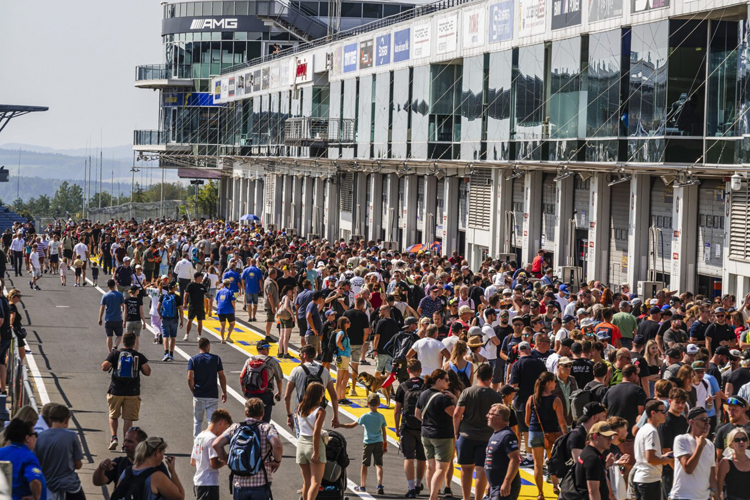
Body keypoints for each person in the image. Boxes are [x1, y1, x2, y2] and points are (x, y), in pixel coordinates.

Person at [212, 398, 283, 500]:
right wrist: (277, 461)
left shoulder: (236, 427)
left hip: (239, 484)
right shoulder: (267, 428)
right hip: (261, 482)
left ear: (246, 413)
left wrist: (228, 460)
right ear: (262, 413)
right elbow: (277, 445)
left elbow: (216, 444)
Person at [453, 363, 503, 500]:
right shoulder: (496, 396)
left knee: (466, 469)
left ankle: (466, 497)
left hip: (466, 435)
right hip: (487, 437)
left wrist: (456, 433)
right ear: (491, 377)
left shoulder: (467, 392)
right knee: (481, 469)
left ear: (477, 375)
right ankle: (478, 498)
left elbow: (457, 414)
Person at [101, 333, 151, 451]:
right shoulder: (138, 356)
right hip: (132, 391)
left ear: (123, 342)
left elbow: (104, 367)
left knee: (113, 415)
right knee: (128, 419)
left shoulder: (115, 354)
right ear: (134, 343)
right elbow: (147, 372)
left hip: (115, 390)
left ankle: (114, 438)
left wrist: (111, 359)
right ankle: (126, 443)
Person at [416, 369, 457, 500]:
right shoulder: (443, 398)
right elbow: (456, 415)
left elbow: (417, 414)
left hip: (426, 434)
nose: (448, 382)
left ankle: (433, 495)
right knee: (441, 468)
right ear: (438, 380)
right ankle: (433, 497)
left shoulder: (423, 394)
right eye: (446, 379)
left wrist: (428, 422)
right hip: (442, 435)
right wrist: (455, 399)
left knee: (431, 467)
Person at [525, 371, 566, 498]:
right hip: (551, 434)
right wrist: (566, 436)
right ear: (548, 383)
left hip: (534, 433)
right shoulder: (556, 400)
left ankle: (540, 493)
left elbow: (526, 420)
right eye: (554, 381)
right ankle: (555, 486)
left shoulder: (531, 398)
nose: (555, 384)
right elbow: (562, 422)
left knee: (537, 464)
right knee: (552, 461)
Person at [336, 393, 388, 494]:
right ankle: (380, 485)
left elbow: (352, 425)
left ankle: (363, 485)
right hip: (379, 442)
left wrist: (340, 425)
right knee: (379, 464)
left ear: (368, 403)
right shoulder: (381, 417)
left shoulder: (365, 416)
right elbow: (384, 431)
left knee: (364, 464)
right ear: (378, 404)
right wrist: (384, 445)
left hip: (368, 442)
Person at [284, 345, 340, 433]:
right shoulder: (324, 371)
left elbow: (287, 396)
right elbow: (334, 396)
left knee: (303, 440)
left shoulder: (297, 370)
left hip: (301, 411)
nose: (299, 357)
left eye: (300, 355)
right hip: (318, 411)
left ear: (305, 355)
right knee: (317, 437)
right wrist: (335, 416)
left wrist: (289, 415)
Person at [33, 404, 84, 500]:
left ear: (50, 419)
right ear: (66, 419)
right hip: (69, 485)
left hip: (48, 485)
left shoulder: (40, 436)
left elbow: (36, 462)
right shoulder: (72, 436)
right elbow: (78, 465)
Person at [394, 359, 427, 498]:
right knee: (422, 457)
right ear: (420, 370)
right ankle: (419, 484)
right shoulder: (426, 386)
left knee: (408, 457)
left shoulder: (403, 386)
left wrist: (397, 428)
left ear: (408, 370)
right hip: (423, 426)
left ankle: (411, 488)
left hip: (407, 426)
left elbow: (397, 410)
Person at [115, 436, 184, 500]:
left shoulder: (126, 472)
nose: (162, 457)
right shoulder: (157, 476)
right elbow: (180, 497)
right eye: (162, 453)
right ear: (157, 452)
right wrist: (173, 472)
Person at [670, 407, 717, 500]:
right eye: (703, 419)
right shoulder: (681, 440)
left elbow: (712, 477)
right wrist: (699, 447)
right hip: (683, 497)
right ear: (691, 422)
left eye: (708, 419)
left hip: (704, 497)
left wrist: (716, 496)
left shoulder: (710, 445)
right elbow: (688, 468)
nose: (707, 422)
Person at [93, 427, 161, 489]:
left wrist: (172, 472)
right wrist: (101, 468)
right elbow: (98, 482)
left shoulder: (156, 466)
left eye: (130, 442)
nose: (125, 445)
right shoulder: (118, 462)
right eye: (125, 441)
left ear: (141, 445)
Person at [602, 364, 646, 461]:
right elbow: (640, 415)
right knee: (630, 465)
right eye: (637, 375)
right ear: (633, 375)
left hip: (612, 437)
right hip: (629, 437)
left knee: (615, 465)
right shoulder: (638, 391)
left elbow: (604, 412)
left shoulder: (610, 390)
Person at [632, 399, 672, 499]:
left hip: (643, 479)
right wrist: (666, 460)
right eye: (663, 412)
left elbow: (646, 457)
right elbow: (650, 459)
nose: (666, 414)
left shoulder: (644, 429)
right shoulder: (651, 431)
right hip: (648, 481)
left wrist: (663, 456)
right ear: (653, 413)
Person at [187, 338, 228, 437]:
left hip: (199, 394)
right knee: (212, 421)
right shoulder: (216, 359)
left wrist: (193, 390)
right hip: (212, 395)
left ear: (199, 347)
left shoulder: (193, 360)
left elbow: (189, 377)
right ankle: (211, 443)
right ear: (208, 346)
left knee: (197, 421)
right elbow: (221, 376)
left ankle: (197, 445)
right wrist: (224, 392)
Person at [190, 409, 233, 500]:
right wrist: (225, 460)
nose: (224, 433)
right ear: (222, 422)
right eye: (226, 428)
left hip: (198, 482)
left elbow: (193, 461)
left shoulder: (200, 436)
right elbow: (214, 464)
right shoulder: (212, 439)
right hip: (209, 483)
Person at [296, 383, 328, 500]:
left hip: (301, 444)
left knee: (306, 482)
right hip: (313, 444)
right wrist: (316, 451)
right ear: (319, 394)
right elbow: (316, 432)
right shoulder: (320, 411)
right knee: (316, 481)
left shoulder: (300, 407)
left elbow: (299, 425)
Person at [571, 421, 618, 500]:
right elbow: (593, 492)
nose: (610, 440)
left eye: (611, 437)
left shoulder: (589, 452)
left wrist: (606, 465)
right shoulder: (592, 459)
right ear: (595, 436)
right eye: (607, 437)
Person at [0, 419, 46, 500]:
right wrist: (36, 497)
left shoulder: (1, 451)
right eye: (35, 434)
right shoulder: (28, 457)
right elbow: (35, 480)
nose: (36, 437)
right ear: (27, 438)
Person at [240, 339, 283, 423]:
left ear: (257, 349)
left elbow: (242, 376)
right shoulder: (272, 362)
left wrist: (244, 390)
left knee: (251, 418)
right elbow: (279, 379)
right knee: (265, 420)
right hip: (266, 394)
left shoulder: (250, 360)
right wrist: (279, 392)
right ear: (266, 349)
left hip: (251, 393)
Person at [484, 403, 521, 500]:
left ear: (498, 418)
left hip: (503, 487)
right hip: (494, 486)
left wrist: (507, 482)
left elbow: (515, 460)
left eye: (490, 414)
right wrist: (489, 484)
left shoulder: (507, 435)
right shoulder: (495, 434)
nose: (487, 416)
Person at [716, 427, 750, 500]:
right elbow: (718, 488)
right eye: (737, 440)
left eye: (744, 439)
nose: (741, 442)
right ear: (731, 444)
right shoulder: (726, 462)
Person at [713, 396, 750, 460]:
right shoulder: (722, 430)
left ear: (743, 410)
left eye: (734, 410)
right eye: (729, 409)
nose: (730, 413)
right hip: (728, 468)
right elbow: (718, 457)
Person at [158, 282, 183, 361]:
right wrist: (182, 321)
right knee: (172, 337)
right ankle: (171, 354)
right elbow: (181, 311)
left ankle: (166, 353)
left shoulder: (163, 296)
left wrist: (161, 315)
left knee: (165, 336)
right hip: (174, 319)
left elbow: (158, 308)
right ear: (174, 288)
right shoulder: (177, 297)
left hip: (165, 318)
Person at [99, 279, 126, 352]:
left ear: (107, 286)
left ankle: (110, 352)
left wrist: (100, 318)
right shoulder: (120, 295)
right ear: (114, 285)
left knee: (109, 336)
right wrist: (125, 318)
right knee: (119, 335)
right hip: (118, 318)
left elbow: (102, 307)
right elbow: (124, 307)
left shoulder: (105, 295)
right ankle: (115, 346)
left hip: (108, 319)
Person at [334, 316, 353, 403]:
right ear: (344, 324)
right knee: (340, 378)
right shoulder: (341, 332)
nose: (350, 323)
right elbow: (338, 341)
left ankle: (342, 396)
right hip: (342, 357)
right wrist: (342, 348)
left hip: (345, 357)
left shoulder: (344, 332)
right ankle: (338, 397)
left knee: (345, 378)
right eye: (348, 322)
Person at [183, 272, 207, 341]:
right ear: (197, 277)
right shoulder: (191, 285)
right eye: (200, 277)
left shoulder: (202, 286)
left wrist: (210, 298)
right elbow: (186, 294)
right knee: (189, 320)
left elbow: (206, 293)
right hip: (192, 305)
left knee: (200, 321)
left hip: (200, 306)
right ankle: (186, 335)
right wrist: (185, 303)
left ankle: (199, 335)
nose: (201, 279)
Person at [123, 285, 146, 352]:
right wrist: (144, 322)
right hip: (137, 321)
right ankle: (135, 353)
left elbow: (125, 311)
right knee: (136, 339)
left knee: (128, 338)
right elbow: (141, 312)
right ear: (135, 291)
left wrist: (124, 321)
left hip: (129, 321)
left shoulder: (126, 300)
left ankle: (127, 352)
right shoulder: (139, 300)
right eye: (138, 290)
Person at [241, 258, 263, 322]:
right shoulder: (258, 270)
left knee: (249, 303)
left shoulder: (246, 270)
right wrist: (261, 288)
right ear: (255, 263)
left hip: (248, 289)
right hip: (255, 289)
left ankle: (249, 317)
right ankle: (254, 316)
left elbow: (242, 278)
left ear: (250, 262)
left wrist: (243, 286)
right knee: (255, 304)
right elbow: (260, 280)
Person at [215, 279, 236, 344]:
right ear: (229, 284)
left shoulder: (219, 291)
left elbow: (216, 301)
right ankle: (228, 336)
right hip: (229, 309)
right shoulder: (230, 291)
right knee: (232, 323)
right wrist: (234, 308)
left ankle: (222, 338)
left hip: (220, 309)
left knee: (222, 324)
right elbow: (232, 301)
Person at [264, 268, 280, 342]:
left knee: (270, 320)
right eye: (276, 273)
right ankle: (267, 336)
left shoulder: (270, 281)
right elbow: (269, 295)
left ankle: (268, 335)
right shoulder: (269, 283)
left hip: (271, 304)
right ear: (273, 274)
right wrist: (273, 307)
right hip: (270, 305)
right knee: (269, 321)